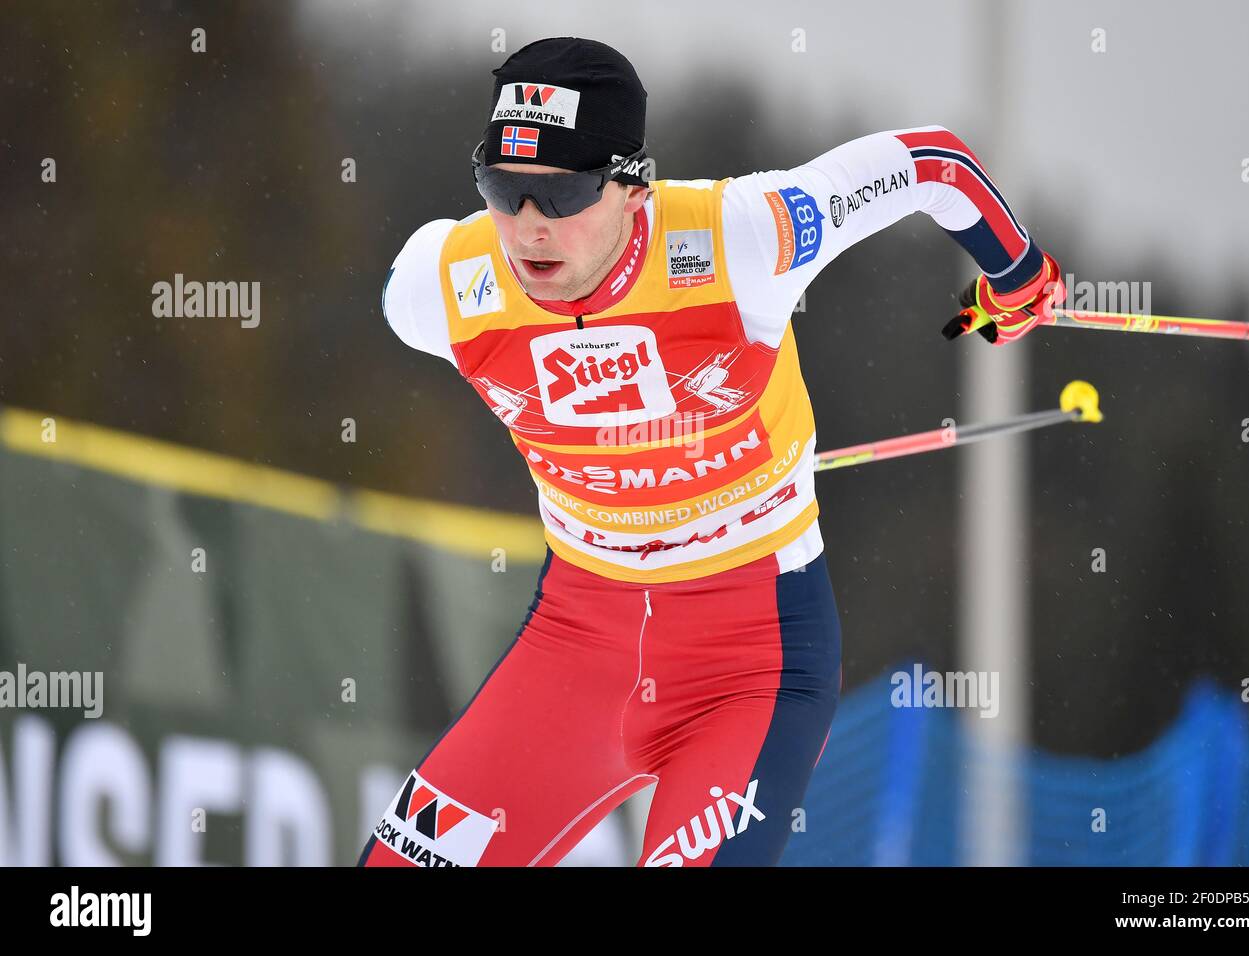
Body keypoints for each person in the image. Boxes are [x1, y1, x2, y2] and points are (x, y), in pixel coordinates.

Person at [359, 36, 1063, 867]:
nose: (528, 228)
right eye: (503, 191)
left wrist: (1016, 274)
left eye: (566, 193)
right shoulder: (437, 288)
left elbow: (931, 163)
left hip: (751, 660)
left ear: (632, 187)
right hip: (579, 643)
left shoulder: (742, 239)